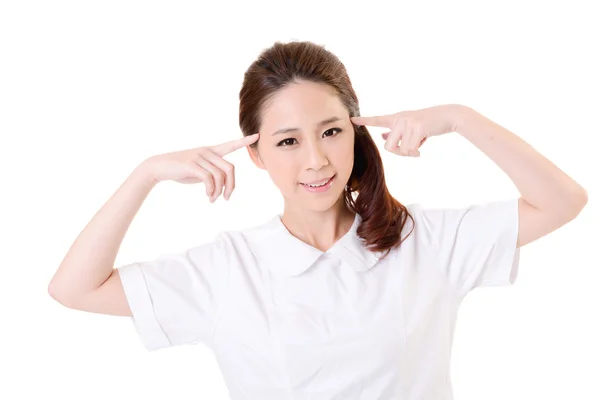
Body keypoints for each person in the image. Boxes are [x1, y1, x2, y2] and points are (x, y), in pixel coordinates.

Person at [48, 40, 588, 399]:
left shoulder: (427, 242)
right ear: (255, 155)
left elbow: (563, 202)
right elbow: (74, 288)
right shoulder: (228, 269)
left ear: (355, 130)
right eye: (287, 141)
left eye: (331, 131)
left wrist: (458, 119)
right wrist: (145, 174)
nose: (315, 160)